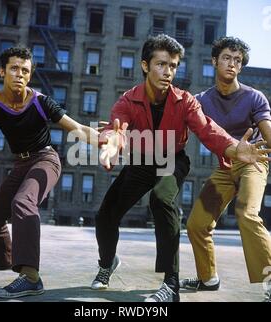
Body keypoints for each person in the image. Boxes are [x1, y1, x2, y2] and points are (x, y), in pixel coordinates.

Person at [90, 34, 271, 302]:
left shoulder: (186, 100)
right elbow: (118, 124)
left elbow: (208, 130)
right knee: (105, 215)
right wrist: (112, 140)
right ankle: (106, 264)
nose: (168, 72)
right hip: (142, 161)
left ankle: (170, 284)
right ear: (145, 66)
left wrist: (234, 148)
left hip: (176, 160)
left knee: (163, 200)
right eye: (161, 65)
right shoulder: (129, 99)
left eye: (173, 66)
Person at [0, 46, 120, 299]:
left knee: (23, 202)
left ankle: (30, 277)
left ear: (30, 76)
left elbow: (78, 128)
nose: (20, 74)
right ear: (2, 71)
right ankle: (5, 260)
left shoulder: (40, 102)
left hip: (46, 160)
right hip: (20, 164)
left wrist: (106, 140)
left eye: (25, 71)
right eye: (14, 68)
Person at [180, 36, 271, 302]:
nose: (232, 64)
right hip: (225, 168)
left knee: (246, 213)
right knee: (196, 223)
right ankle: (208, 279)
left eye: (238, 61)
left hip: (252, 164)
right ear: (214, 61)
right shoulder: (200, 101)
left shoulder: (254, 97)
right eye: (227, 58)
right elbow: (176, 126)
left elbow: (268, 133)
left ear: (241, 67)